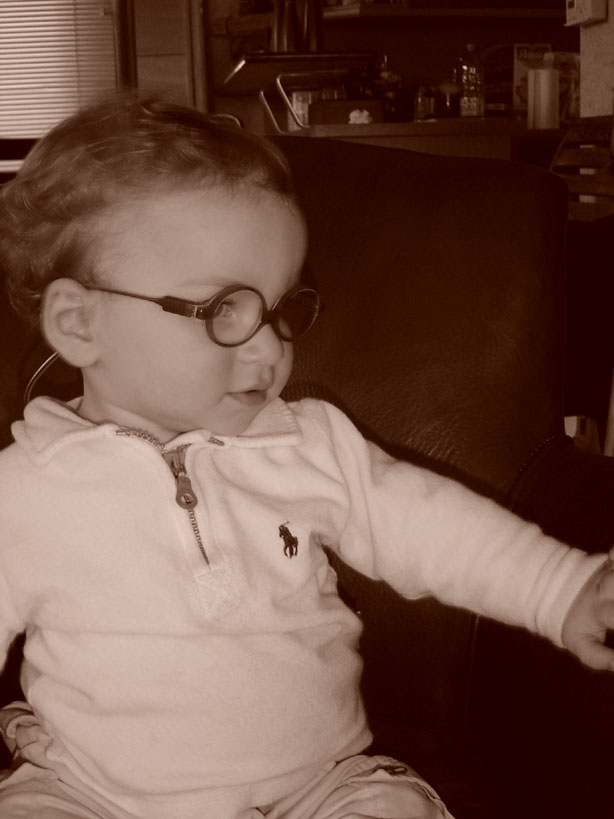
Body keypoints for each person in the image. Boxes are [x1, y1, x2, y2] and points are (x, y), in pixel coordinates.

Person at [0, 95, 612, 819]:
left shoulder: (308, 443)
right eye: (223, 308)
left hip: (317, 787)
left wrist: (560, 590)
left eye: (280, 307)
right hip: (95, 794)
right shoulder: (24, 493)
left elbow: (434, 529)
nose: (270, 346)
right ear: (79, 323)